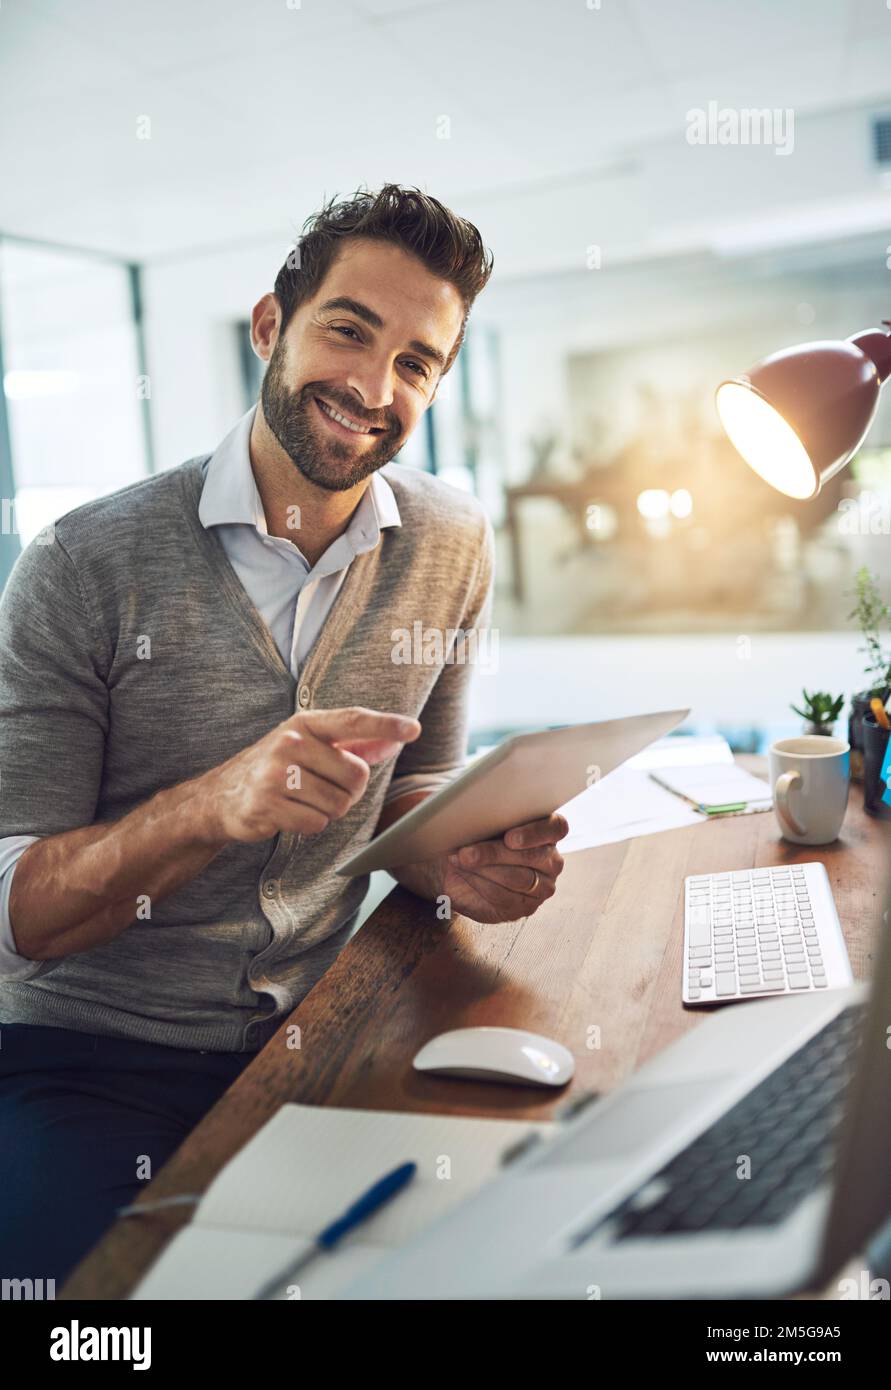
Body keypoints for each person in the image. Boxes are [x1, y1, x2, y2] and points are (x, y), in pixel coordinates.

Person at [0, 184, 567, 1288]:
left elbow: (420, 782)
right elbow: (21, 908)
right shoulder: (79, 563)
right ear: (273, 326)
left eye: (417, 362)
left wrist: (457, 852)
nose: (373, 386)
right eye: (349, 330)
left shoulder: (450, 539)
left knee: (480, 1261)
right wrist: (215, 803)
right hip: (89, 1057)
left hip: (325, 1017)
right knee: (106, 1318)